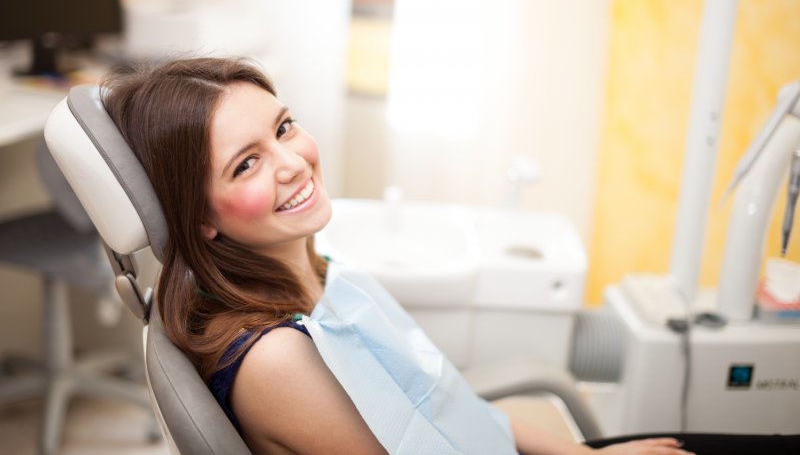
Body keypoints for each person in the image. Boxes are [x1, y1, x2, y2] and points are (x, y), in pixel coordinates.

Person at [101, 57, 797, 455]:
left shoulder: (316, 275)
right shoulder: (275, 358)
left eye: (284, 126)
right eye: (247, 163)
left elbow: (445, 400)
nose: (292, 162)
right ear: (201, 218)